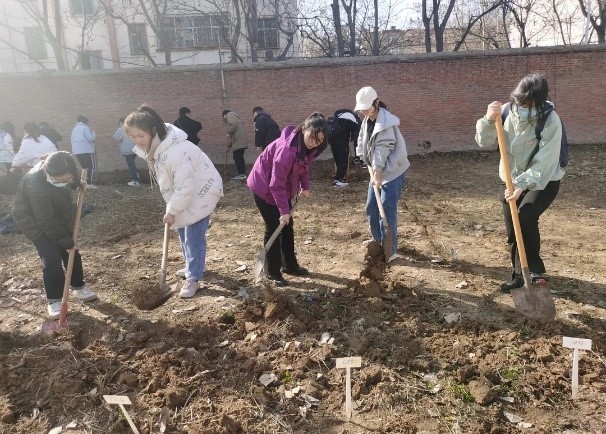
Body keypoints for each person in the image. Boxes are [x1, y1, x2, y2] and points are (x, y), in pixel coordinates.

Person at [475, 73, 564, 293]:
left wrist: (522, 185)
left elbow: (545, 161)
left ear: (540, 102)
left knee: (526, 215)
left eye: (528, 104)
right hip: (510, 177)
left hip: (544, 178)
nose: (523, 107)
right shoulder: (506, 112)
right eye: (520, 102)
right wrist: (487, 120)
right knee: (512, 226)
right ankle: (518, 274)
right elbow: (483, 141)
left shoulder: (551, 120)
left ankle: (534, 272)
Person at [125, 105, 223, 298]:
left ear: (152, 130)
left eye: (141, 136)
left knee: (193, 236)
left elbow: (185, 186)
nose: (137, 141)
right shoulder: (158, 148)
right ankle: (192, 265)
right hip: (185, 193)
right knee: (182, 230)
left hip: (201, 193)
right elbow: (174, 183)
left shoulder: (174, 151)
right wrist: (173, 208)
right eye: (133, 137)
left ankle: (194, 277)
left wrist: (172, 210)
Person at [12, 151, 98, 320]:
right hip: (34, 223)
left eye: (67, 179)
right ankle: (54, 300)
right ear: (49, 172)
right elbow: (46, 220)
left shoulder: (61, 163)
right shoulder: (35, 185)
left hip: (57, 216)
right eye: (60, 180)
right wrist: (66, 242)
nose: (64, 182)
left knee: (73, 252)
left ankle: (78, 287)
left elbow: (71, 177)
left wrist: (77, 184)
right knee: (52, 258)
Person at [247, 112, 329, 286]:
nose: (314, 142)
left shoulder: (307, 147)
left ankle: (290, 265)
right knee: (274, 227)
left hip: (280, 186)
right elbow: (275, 184)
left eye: (319, 140)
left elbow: (304, 166)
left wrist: (305, 186)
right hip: (263, 187)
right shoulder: (286, 151)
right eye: (312, 137)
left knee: (287, 226)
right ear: (304, 128)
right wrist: (283, 211)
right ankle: (272, 272)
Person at [355, 86, 410, 263]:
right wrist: (362, 156)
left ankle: (390, 250)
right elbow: (362, 139)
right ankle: (377, 241)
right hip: (376, 169)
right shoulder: (368, 119)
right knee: (371, 207)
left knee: (386, 208)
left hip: (392, 170)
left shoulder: (385, 123)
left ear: (376, 103)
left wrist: (377, 172)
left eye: (366, 108)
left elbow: (382, 149)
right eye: (361, 109)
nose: (363, 112)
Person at [328, 109, 361, 187]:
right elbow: (357, 128)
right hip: (342, 140)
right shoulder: (351, 116)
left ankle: (339, 177)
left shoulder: (335, 118)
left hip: (332, 139)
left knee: (338, 159)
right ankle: (339, 179)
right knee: (343, 159)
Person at [70, 115, 96, 188]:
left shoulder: (74, 129)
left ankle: (83, 183)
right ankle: (89, 183)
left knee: (84, 167)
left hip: (77, 151)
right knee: (90, 166)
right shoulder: (85, 128)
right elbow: (90, 139)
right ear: (85, 121)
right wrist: (93, 134)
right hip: (86, 150)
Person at [113, 117, 140, 186]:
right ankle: (136, 176)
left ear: (121, 122)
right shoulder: (132, 128)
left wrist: (121, 140)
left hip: (127, 150)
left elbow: (115, 137)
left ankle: (135, 180)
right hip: (134, 149)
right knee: (132, 163)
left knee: (131, 165)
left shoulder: (121, 129)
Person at [222, 110, 248, 180]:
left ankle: (242, 174)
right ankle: (242, 173)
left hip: (239, 142)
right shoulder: (236, 118)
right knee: (239, 157)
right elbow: (232, 137)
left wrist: (228, 132)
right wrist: (229, 147)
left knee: (237, 157)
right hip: (240, 141)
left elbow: (234, 125)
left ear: (224, 115)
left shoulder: (229, 115)